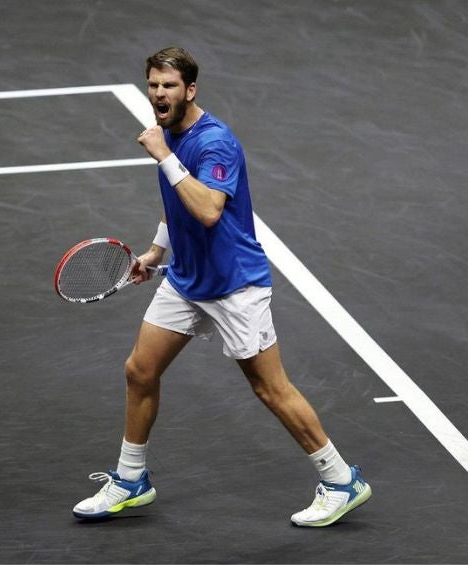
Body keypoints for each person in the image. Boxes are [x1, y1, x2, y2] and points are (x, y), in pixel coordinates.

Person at [72, 46, 371, 527]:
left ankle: (341, 481)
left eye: (168, 86)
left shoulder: (214, 143)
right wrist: (155, 251)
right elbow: (177, 204)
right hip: (189, 281)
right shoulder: (169, 135)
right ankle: (131, 480)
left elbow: (209, 209)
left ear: (190, 90)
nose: (158, 94)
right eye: (153, 85)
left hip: (235, 286)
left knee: (270, 389)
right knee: (140, 370)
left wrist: (165, 156)